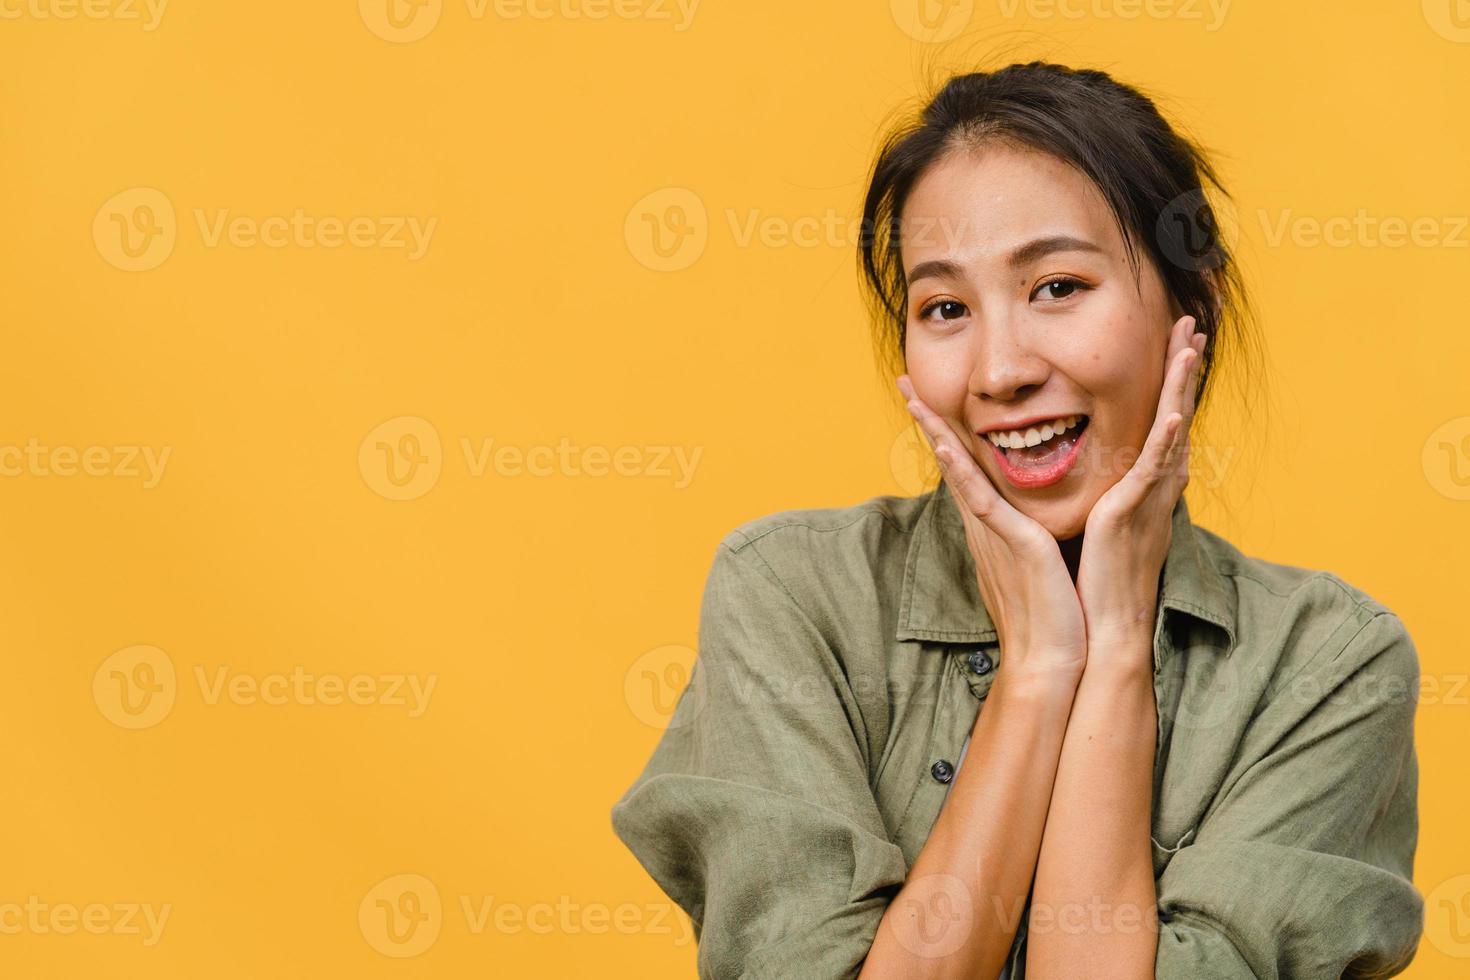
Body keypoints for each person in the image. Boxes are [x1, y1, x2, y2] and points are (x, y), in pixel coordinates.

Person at [610, 61, 1423, 979]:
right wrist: (1036, 672)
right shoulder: (792, 595)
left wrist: (1116, 648)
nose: (999, 372)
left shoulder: (1329, 667)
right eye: (946, 307)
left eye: (1058, 288)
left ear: (1193, 306)